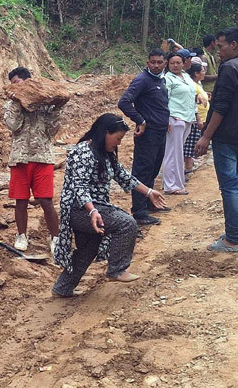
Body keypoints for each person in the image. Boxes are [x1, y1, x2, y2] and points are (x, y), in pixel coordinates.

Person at [51, 114, 167, 297]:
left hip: (93, 209)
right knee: (126, 223)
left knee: (88, 249)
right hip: (79, 209)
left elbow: (124, 177)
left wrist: (150, 192)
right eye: (118, 138)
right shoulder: (83, 151)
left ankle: (62, 288)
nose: (119, 144)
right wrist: (93, 211)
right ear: (106, 133)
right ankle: (117, 270)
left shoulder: (105, 154)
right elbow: (79, 187)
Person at [195, 27, 238, 253]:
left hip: (226, 135)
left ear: (234, 45)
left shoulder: (230, 68)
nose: (218, 51)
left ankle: (233, 238)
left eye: (221, 46)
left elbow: (220, 107)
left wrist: (206, 136)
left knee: (230, 185)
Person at [4, 67, 62, 252]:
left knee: (46, 201)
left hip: (42, 158)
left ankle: (56, 238)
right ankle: (21, 235)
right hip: (20, 158)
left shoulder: (45, 105)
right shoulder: (10, 105)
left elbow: (52, 130)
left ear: (28, 82)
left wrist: (56, 110)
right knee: (21, 201)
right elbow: (13, 126)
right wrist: (18, 103)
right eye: (12, 84)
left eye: (17, 83)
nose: (14, 87)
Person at [117, 49, 169, 226]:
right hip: (148, 134)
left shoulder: (160, 79)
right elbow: (123, 102)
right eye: (152, 62)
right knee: (142, 170)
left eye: (159, 62)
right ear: (148, 63)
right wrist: (140, 120)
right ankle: (138, 211)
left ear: (165, 63)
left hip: (161, 131)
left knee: (154, 169)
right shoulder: (142, 80)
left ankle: (149, 202)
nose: (156, 65)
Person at [162, 52, 197, 195]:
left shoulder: (186, 77)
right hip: (175, 119)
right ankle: (171, 185)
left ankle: (177, 182)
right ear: (168, 65)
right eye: (172, 63)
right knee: (172, 153)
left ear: (184, 63)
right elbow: (164, 99)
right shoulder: (167, 79)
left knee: (178, 152)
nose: (175, 65)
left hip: (187, 118)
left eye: (178, 63)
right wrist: (168, 117)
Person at [183, 60, 208, 176]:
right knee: (190, 143)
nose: (204, 73)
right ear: (196, 74)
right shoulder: (192, 85)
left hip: (199, 117)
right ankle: (188, 166)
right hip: (194, 118)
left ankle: (190, 163)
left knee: (193, 142)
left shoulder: (197, 85)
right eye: (203, 71)